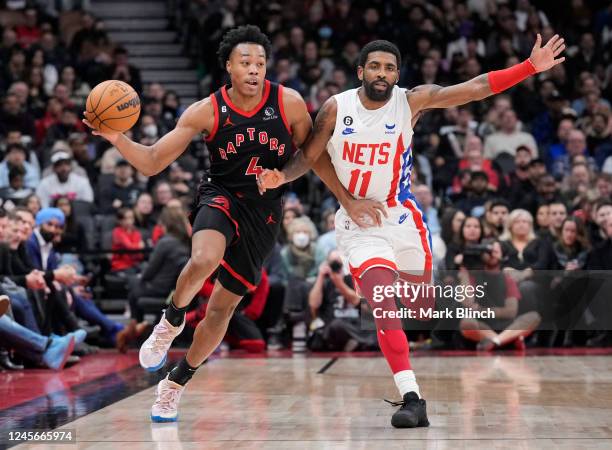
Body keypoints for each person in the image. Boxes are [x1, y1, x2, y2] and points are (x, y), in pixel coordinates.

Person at [260, 34, 566, 427]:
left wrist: (529, 68)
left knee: (421, 308)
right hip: (359, 224)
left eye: (389, 68)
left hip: (402, 218)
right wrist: (281, 176)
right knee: (384, 303)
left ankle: (424, 306)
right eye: (375, 66)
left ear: (397, 74)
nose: (382, 73)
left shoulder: (411, 101)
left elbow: (474, 89)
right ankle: (412, 397)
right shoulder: (338, 108)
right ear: (360, 72)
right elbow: (309, 157)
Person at [82, 25, 380, 423]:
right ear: (229, 67)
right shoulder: (206, 110)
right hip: (220, 195)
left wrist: (348, 200)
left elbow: (313, 157)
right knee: (203, 258)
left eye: (260, 62)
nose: (254, 69)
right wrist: (116, 138)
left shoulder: (288, 102)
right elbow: (153, 161)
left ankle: (174, 383)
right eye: (245, 62)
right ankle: (171, 320)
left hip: (265, 212)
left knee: (221, 311)